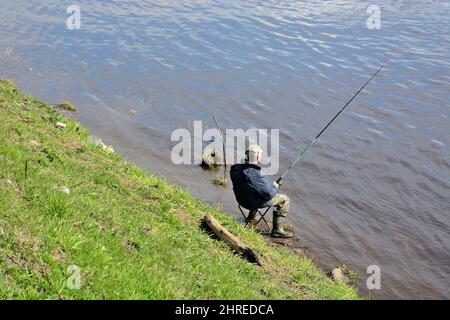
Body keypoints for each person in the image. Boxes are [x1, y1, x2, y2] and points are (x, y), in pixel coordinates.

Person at [230, 144, 293, 238]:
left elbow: (252, 186)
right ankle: (277, 230)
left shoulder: (235, 169)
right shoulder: (254, 173)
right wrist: (275, 187)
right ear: (258, 156)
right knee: (284, 199)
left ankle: (251, 222)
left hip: (241, 200)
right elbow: (268, 194)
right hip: (251, 203)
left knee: (254, 192)